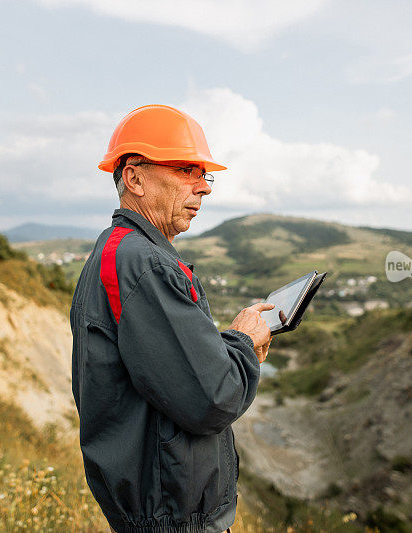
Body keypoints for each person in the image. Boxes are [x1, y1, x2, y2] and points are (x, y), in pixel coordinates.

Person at [70, 104, 273, 533]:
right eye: (186, 169)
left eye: (205, 174)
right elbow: (214, 398)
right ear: (135, 177)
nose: (204, 188)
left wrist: (224, 344)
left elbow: (164, 367)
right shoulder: (142, 264)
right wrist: (241, 343)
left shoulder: (122, 253)